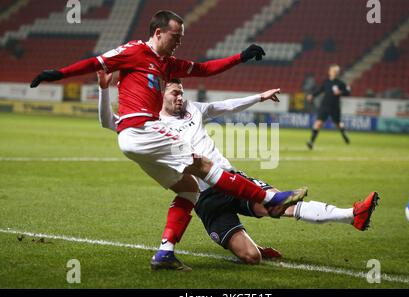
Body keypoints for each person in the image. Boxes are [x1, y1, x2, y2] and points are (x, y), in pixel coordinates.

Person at [30, 10, 305, 270]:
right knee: (203, 164)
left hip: (134, 139)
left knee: (189, 190)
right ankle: (269, 196)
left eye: (181, 38)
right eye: (176, 37)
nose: (179, 43)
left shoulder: (168, 64)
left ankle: (165, 253)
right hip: (142, 129)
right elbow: (97, 63)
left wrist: (240, 57)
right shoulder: (134, 50)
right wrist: (58, 74)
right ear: (159, 32)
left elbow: (206, 69)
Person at [98, 72, 380, 266]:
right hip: (205, 199)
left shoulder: (194, 110)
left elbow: (227, 105)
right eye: (175, 93)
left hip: (230, 179)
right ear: (162, 95)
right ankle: (253, 247)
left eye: (182, 93)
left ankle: (352, 215)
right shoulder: (147, 123)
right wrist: (103, 89)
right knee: (251, 258)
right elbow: (108, 122)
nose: (180, 98)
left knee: (280, 205)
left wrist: (259, 97)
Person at [306, 64, 351, 150]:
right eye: (334, 71)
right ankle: (311, 142)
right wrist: (312, 95)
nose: (335, 72)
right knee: (318, 123)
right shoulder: (326, 82)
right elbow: (320, 90)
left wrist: (340, 92)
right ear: (330, 72)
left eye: (336, 71)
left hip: (335, 107)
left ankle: (344, 133)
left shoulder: (340, 83)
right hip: (325, 106)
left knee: (338, 124)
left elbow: (348, 92)